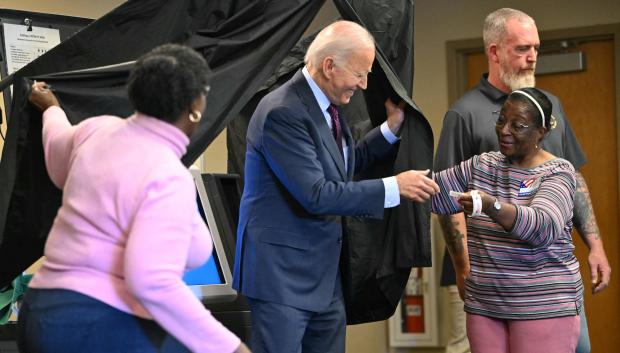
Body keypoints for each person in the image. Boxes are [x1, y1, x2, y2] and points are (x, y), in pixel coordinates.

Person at [17, 44, 251, 353]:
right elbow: (151, 281)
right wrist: (230, 347)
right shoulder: (167, 175)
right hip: (97, 324)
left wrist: (51, 109)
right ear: (196, 108)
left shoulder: (96, 130)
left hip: (40, 309)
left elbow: (57, 151)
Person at [232, 20, 439, 353]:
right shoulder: (283, 111)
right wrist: (393, 187)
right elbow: (316, 193)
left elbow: (342, 163)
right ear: (329, 66)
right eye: (360, 74)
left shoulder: (328, 105)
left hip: (325, 279)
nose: (364, 83)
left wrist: (389, 129)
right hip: (281, 278)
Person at [434, 8, 611, 353]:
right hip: (486, 279)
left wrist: (596, 246)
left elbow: (574, 180)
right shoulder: (464, 113)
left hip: (548, 281)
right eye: (521, 49)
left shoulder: (550, 107)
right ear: (494, 51)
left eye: (536, 49)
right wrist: (463, 266)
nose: (532, 58)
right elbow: (448, 199)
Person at [433, 87, 583, 353]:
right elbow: (434, 195)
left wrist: (492, 206)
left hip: (541, 305)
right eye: (501, 120)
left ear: (542, 132)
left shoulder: (558, 172)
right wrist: (393, 181)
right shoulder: (482, 165)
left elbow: (542, 227)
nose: (504, 130)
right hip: (485, 305)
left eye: (518, 126)